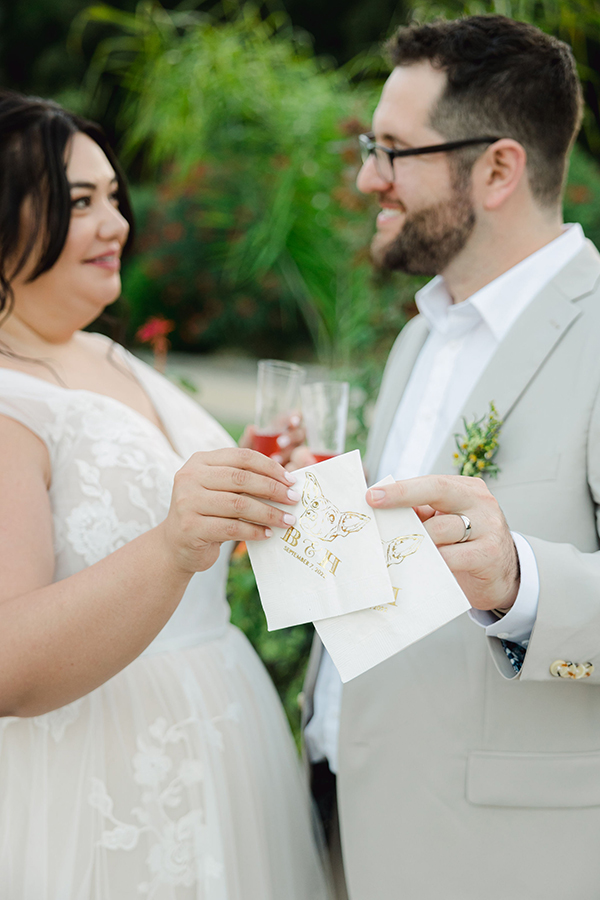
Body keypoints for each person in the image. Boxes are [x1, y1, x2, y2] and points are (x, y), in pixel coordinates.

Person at [0, 90, 331, 900]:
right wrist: (171, 544)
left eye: (114, 197)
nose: (116, 223)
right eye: (80, 202)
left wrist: (250, 489)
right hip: (102, 777)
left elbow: (164, 530)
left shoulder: (106, 354)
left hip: (222, 734)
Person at [303, 15, 600, 899]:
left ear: (498, 169)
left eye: (394, 151)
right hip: (348, 813)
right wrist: (307, 520)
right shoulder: (420, 337)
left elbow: (500, 570)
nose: (368, 177)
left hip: (506, 860)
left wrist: (521, 582)